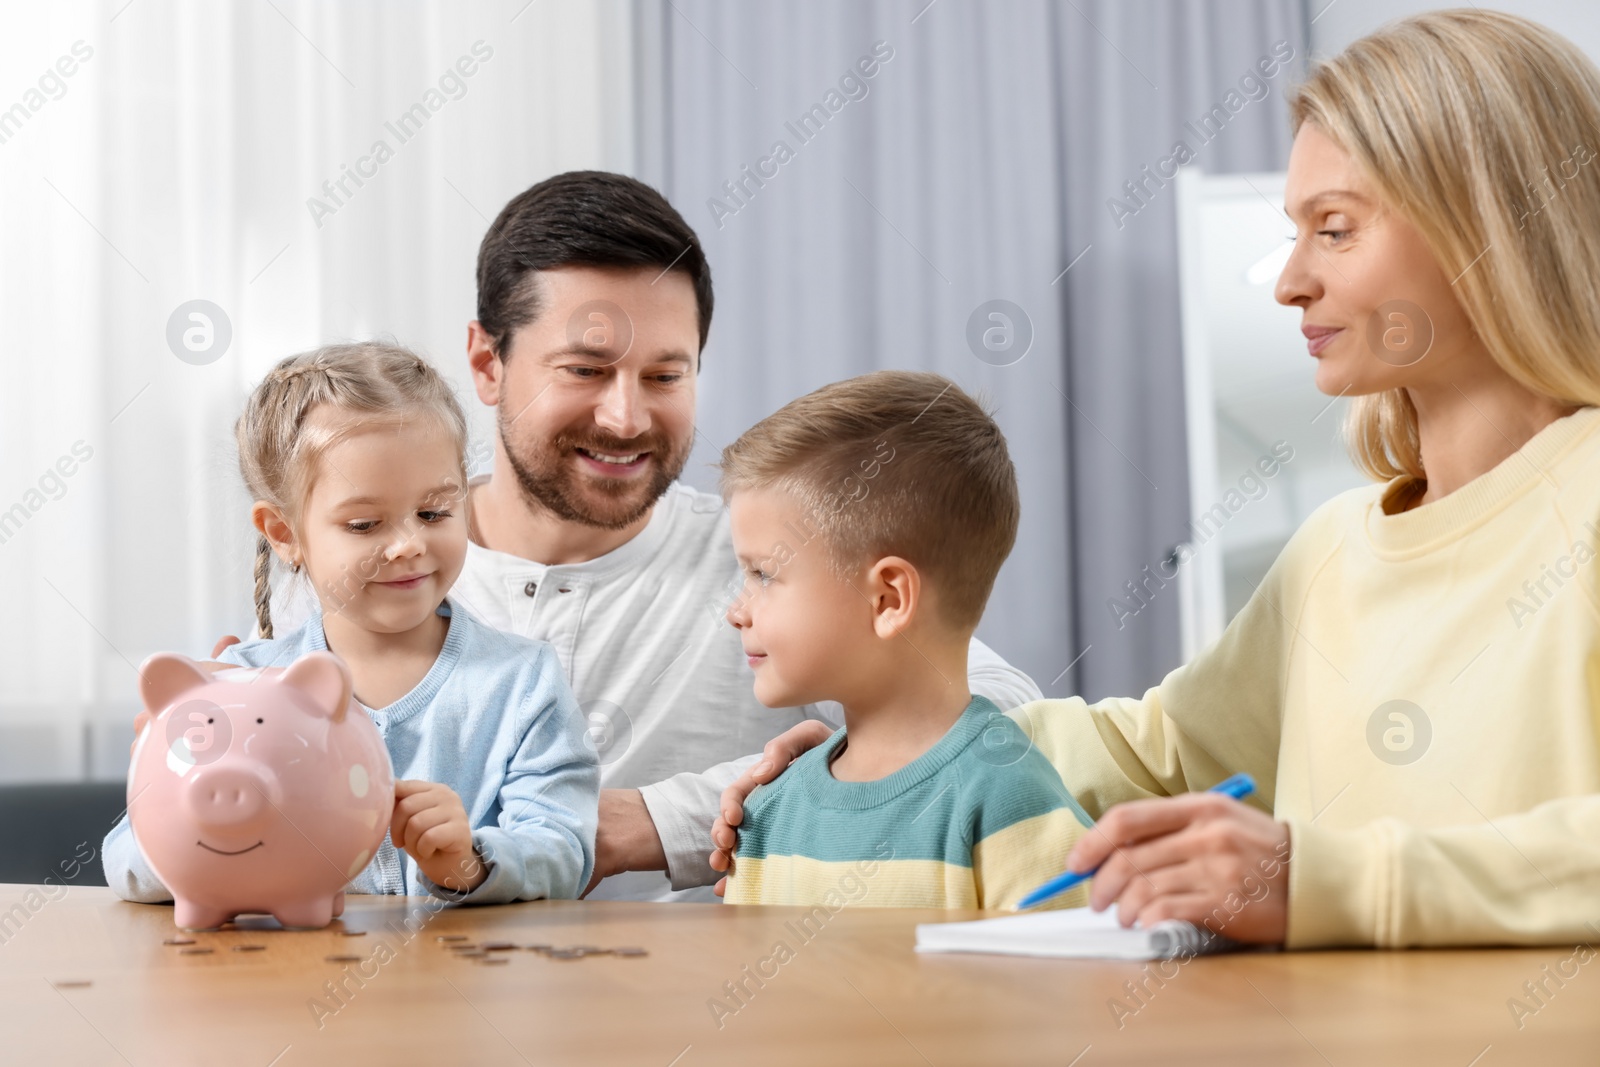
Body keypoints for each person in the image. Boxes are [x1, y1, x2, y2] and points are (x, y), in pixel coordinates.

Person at [711, 9, 1600, 947]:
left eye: (1334, 229)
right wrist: (899, 749)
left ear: (1488, 224)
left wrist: (1327, 880)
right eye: (1296, 233)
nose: (1290, 280)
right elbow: (1163, 753)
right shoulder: (1333, 551)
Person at [249, 172, 1042, 901]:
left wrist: (672, 817)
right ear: (487, 363)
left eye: (666, 376)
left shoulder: (770, 561)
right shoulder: (365, 566)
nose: (626, 418)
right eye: (586, 371)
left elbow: (1008, 717)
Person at [106, 342, 599, 906]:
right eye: (365, 524)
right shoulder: (233, 692)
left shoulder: (522, 682)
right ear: (285, 533)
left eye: (435, 512)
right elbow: (125, 864)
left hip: (465, 985)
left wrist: (472, 861)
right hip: (282, 983)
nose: (410, 544)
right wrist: (184, 800)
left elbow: (566, 852)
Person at [718, 371, 1091, 910]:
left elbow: (1070, 986)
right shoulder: (768, 813)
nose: (736, 613)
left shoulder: (1008, 801)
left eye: (765, 576)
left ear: (889, 600)